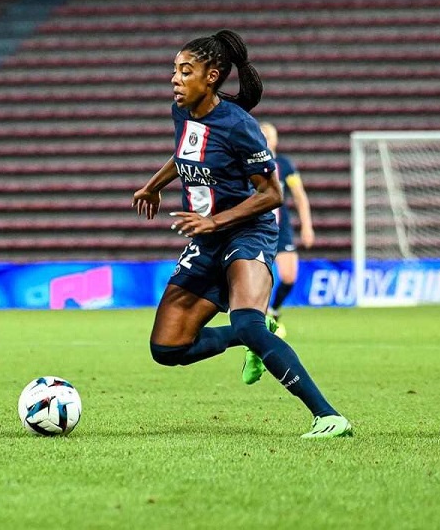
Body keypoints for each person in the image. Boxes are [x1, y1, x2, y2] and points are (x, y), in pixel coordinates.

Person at [132, 30, 351, 438]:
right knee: (167, 348)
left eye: (186, 71)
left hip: (247, 231)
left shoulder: (240, 126)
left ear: (212, 76)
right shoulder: (182, 111)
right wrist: (155, 184)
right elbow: (185, 151)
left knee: (247, 317)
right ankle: (249, 335)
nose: (175, 79)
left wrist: (216, 221)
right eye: (174, 71)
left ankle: (328, 416)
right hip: (206, 238)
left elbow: (272, 194)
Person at [259, 122, 315, 327]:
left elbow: (300, 197)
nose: (265, 138)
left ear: (276, 139)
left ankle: (273, 311)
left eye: (269, 134)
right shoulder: (248, 163)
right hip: (257, 229)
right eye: (261, 134)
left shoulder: (285, 165)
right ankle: (257, 319)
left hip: (281, 230)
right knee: (258, 279)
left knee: (289, 276)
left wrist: (307, 226)